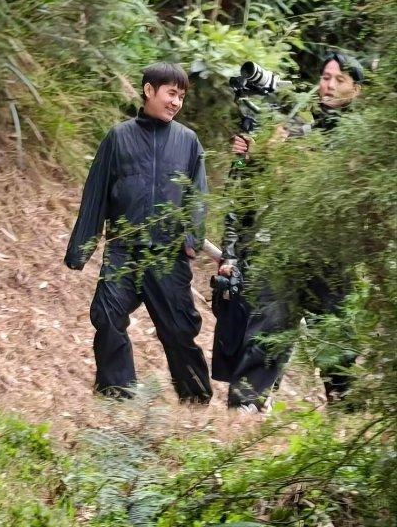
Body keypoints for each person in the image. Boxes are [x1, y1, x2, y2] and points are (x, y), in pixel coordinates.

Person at [222, 51, 364, 412]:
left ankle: (344, 415)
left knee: (335, 337)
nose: (328, 85)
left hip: (334, 257)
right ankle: (246, 408)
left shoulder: (361, 136)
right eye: (325, 77)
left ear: (356, 90)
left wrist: (294, 156)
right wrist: (253, 156)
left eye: (338, 80)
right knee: (267, 327)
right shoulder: (297, 124)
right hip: (286, 248)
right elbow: (255, 185)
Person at [65, 61, 212, 403]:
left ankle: (196, 398)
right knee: (107, 316)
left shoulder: (188, 142)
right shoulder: (118, 137)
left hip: (167, 255)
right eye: (170, 93)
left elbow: (197, 195)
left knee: (178, 329)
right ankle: (117, 393)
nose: (176, 102)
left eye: (181, 96)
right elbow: (96, 195)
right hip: (124, 251)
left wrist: (192, 236)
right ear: (149, 91)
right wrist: (81, 250)